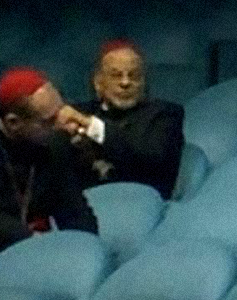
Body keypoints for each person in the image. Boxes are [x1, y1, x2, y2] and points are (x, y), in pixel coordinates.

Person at [0, 68, 101, 252]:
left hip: (46, 247)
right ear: (13, 122)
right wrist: (24, 235)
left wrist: (88, 248)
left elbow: (74, 208)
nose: (61, 125)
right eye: (49, 121)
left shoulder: (55, 142)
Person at [57, 39, 185, 196]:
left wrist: (93, 127)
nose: (125, 82)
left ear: (144, 82)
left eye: (134, 76)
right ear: (98, 83)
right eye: (116, 75)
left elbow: (152, 157)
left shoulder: (166, 114)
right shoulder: (80, 112)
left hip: (140, 202)